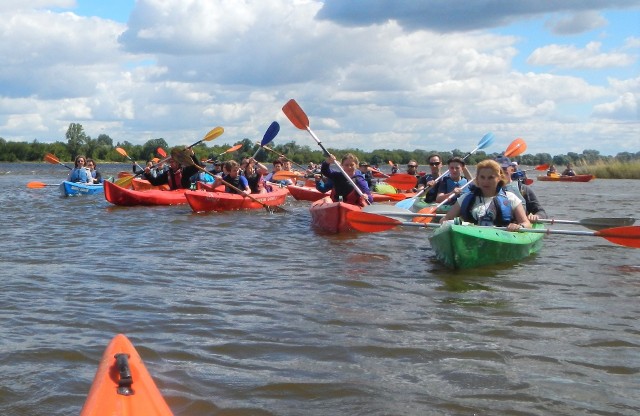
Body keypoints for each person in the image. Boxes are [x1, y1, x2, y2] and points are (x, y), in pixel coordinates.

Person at [440, 159, 531, 232]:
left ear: (499, 178)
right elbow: (445, 219)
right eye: (482, 177)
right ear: (477, 179)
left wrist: (519, 226)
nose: (486, 182)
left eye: (491, 177)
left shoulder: (511, 198)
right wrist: (447, 224)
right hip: (471, 238)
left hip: (501, 238)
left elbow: (526, 223)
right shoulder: (465, 198)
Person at [496, 156, 548, 222]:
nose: (500, 171)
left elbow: (541, 212)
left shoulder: (523, 189)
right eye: (496, 169)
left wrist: (536, 216)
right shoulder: (487, 189)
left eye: (504, 168)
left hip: (519, 228)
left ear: (512, 170)